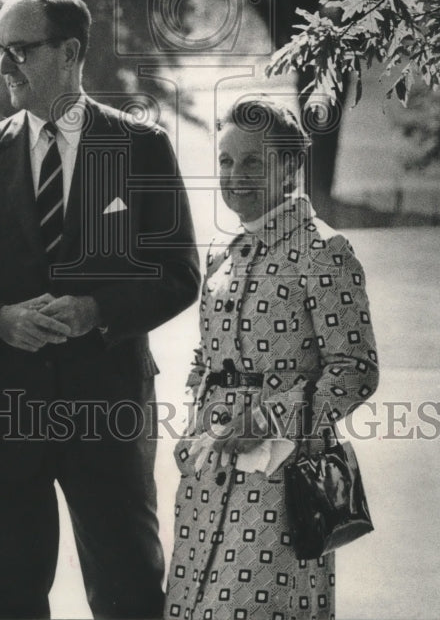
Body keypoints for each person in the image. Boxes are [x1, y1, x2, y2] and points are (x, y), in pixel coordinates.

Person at [0, 0, 200, 619]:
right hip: (2, 414)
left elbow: (179, 272)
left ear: (71, 52)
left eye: (20, 49)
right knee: (13, 602)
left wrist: (98, 311)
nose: (5, 65)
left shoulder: (141, 147)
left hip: (108, 410)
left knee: (130, 594)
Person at [164, 96, 379, 620]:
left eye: (252, 161)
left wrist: (265, 417)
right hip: (209, 474)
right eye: (226, 160)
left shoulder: (324, 249)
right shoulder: (223, 250)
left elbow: (356, 370)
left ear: (289, 169)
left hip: (283, 480)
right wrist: (194, 428)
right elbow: (207, 355)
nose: (235, 174)